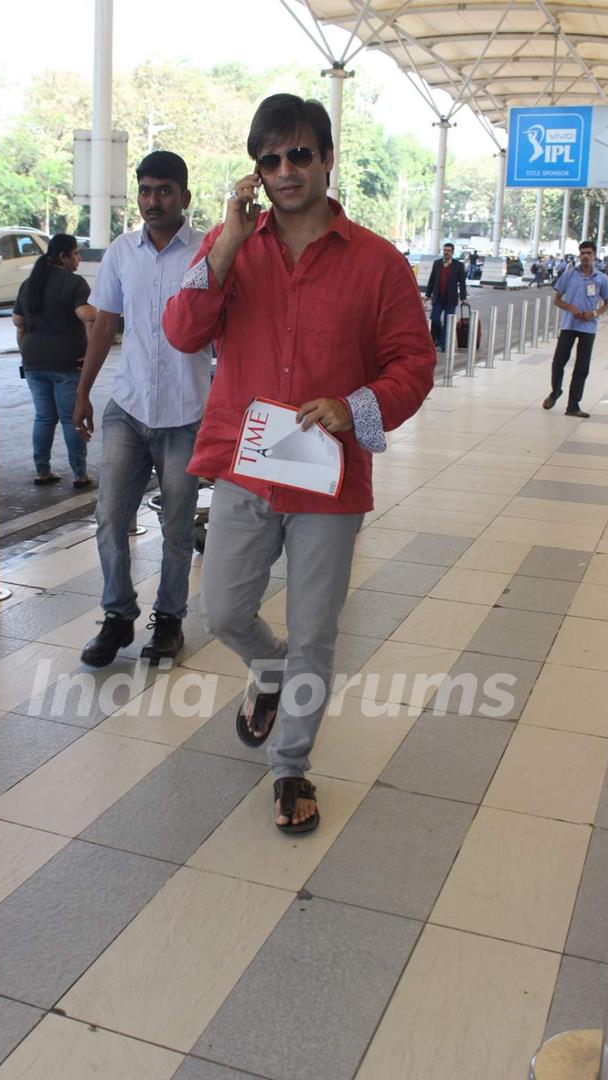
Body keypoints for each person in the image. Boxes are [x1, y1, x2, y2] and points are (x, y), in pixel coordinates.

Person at [164, 94, 435, 834]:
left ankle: (291, 768)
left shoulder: (377, 263)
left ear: (326, 159)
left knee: (317, 631)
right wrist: (224, 243)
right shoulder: (232, 248)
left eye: (300, 155)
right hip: (247, 468)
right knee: (222, 610)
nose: (286, 171)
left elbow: (414, 362)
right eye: (271, 160)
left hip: (328, 479)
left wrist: (355, 405)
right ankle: (270, 669)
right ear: (257, 171)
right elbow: (183, 331)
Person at [73, 151, 212, 668]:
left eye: (164, 191)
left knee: (177, 528)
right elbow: (104, 325)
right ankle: (117, 616)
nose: (153, 201)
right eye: (146, 191)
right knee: (109, 519)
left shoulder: (206, 252)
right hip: (128, 408)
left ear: (184, 197)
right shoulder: (121, 252)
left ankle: (170, 620)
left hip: (185, 412)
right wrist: (84, 391)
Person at [12, 234, 96, 488]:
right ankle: (80, 474)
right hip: (67, 361)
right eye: (76, 254)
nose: (79, 259)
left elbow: (18, 324)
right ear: (63, 256)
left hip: (33, 362)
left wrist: (26, 354)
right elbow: (89, 317)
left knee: (44, 417)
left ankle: (42, 471)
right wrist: (91, 352)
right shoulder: (75, 283)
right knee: (72, 418)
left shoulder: (30, 284)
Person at [542, 240, 608, 418]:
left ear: (594, 256)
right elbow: (557, 299)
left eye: (588, 253)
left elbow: (607, 303)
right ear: (579, 255)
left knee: (582, 366)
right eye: (582, 253)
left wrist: (595, 313)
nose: (585, 256)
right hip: (569, 325)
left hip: (588, 328)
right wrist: (570, 308)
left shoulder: (601, 279)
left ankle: (573, 405)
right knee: (559, 362)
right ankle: (555, 391)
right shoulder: (569, 274)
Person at [425, 242, 466, 351]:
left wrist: (463, 298)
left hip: (450, 299)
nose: (446, 252)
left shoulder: (458, 265)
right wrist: (427, 295)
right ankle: (437, 339)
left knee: (448, 323)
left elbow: (462, 283)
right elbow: (432, 280)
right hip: (438, 298)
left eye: (448, 251)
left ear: (452, 252)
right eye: (445, 250)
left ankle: (443, 344)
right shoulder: (437, 263)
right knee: (434, 320)